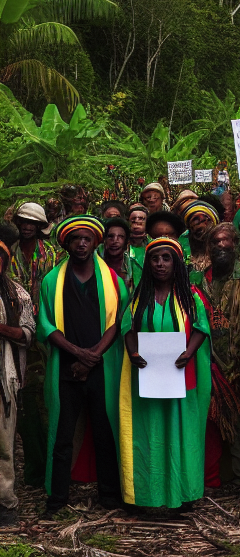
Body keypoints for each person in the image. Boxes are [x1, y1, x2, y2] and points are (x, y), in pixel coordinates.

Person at [37, 216, 126, 517]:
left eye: (87, 238)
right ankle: (57, 500)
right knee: (62, 436)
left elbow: (120, 321)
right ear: (66, 243)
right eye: (75, 238)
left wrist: (93, 357)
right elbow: (45, 325)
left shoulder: (112, 280)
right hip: (65, 369)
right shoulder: (52, 281)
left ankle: (111, 497)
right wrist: (77, 354)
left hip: (102, 368)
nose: (82, 243)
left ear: (95, 242)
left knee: (105, 431)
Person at [121, 236, 211, 509]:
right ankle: (149, 496)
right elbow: (127, 328)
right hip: (147, 380)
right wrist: (133, 353)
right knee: (150, 436)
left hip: (181, 379)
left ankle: (182, 495)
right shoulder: (139, 296)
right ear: (147, 263)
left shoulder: (189, 295)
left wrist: (189, 352)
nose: (160, 264)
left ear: (176, 263)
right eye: (154, 258)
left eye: (166, 258)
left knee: (182, 435)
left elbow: (201, 328)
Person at [191, 222, 240, 498]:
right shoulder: (198, 281)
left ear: (235, 245)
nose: (220, 246)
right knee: (208, 425)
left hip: (239, 364)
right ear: (208, 247)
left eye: (225, 241)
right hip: (207, 363)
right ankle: (210, 480)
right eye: (215, 242)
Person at [10, 201, 62, 488]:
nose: (27, 226)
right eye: (23, 221)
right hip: (13, 338)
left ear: (41, 226)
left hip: (45, 338)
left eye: (33, 222)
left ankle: (48, 469)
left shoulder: (53, 255)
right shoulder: (7, 255)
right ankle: (33, 467)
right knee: (23, 405)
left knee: (45, 403)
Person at [0, 226, 35, 527]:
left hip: (4, 379)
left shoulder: (16, 293)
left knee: (3, 446)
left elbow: (28, 334)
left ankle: (6, 504)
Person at [101, 216, 140, 294]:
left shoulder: (134, 267)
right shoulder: (93, 265)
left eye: (120, 237)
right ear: (104, 240)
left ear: (126, 242)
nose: (115, 241)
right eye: (110, 236)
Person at [182, 198, 222, 272]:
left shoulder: (223, 246)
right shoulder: (184, 249)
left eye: (204, 222)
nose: (199, 228)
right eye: (193, 227)